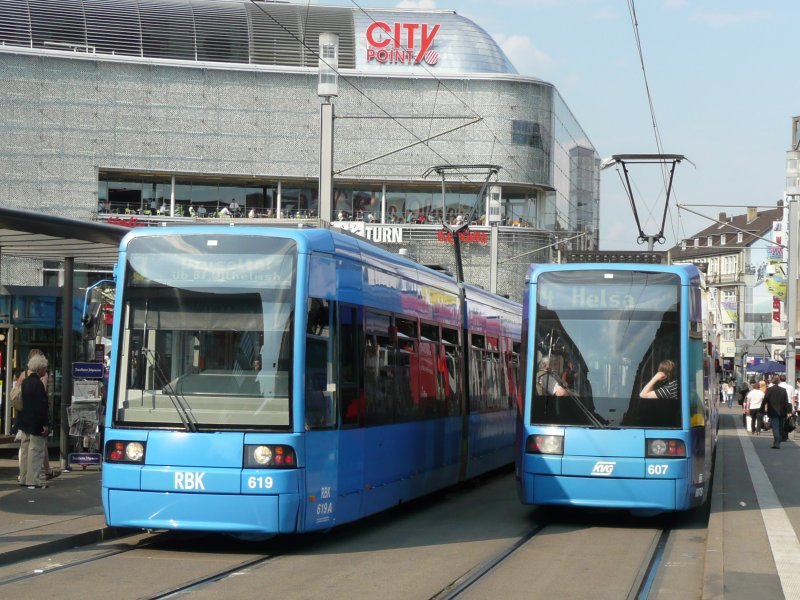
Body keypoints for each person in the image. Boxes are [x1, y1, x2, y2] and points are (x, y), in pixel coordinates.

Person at [16, 353, 50, 488]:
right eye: (45, 367)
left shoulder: (26, 382)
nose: (46, 370)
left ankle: (23, 478)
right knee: (35, 452)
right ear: (39, 368)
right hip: (36, 423)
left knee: (25, 451)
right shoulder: (38, 384)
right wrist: (45, 424)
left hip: (24, 421)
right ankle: (33, 480)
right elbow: (41, 407)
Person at [763, 375, 789, 449]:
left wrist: (762, 409)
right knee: (780, 427)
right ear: (779, 381)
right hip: (782, 412)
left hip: (773, 412)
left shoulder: (769, 390)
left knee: (775, 427)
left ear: (772, 381)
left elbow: (765, 400)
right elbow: (786, 402)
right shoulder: (783, 390)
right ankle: (777, 442)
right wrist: (788, 411)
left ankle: (777, 443)